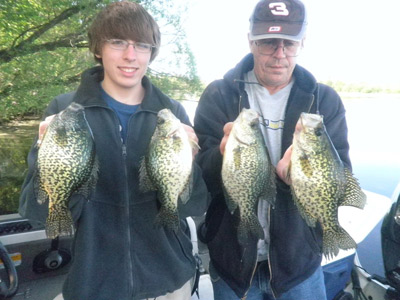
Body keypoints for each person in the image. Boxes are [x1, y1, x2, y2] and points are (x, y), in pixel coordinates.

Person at [19, 2, 209, 300]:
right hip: (94, 283)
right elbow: (40, 214)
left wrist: (189, 163)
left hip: (170, 281)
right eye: (118, 42)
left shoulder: (170, 112)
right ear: (98, 49)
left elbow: (191, 207)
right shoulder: (66, 111)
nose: (130, 55)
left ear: (151, 52)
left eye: (141, 45)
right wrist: (49, 160)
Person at [194, 0, 352, 299]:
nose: (279, 54)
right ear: (251, 41)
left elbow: (342, 174)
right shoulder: (219, 95)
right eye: (268, 42)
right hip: (233, 264)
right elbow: (200, 177)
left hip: (298, 265)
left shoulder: (324, 100)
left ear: (302, 42)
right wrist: (223, 157)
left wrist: (307, 178)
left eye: (289, 43)